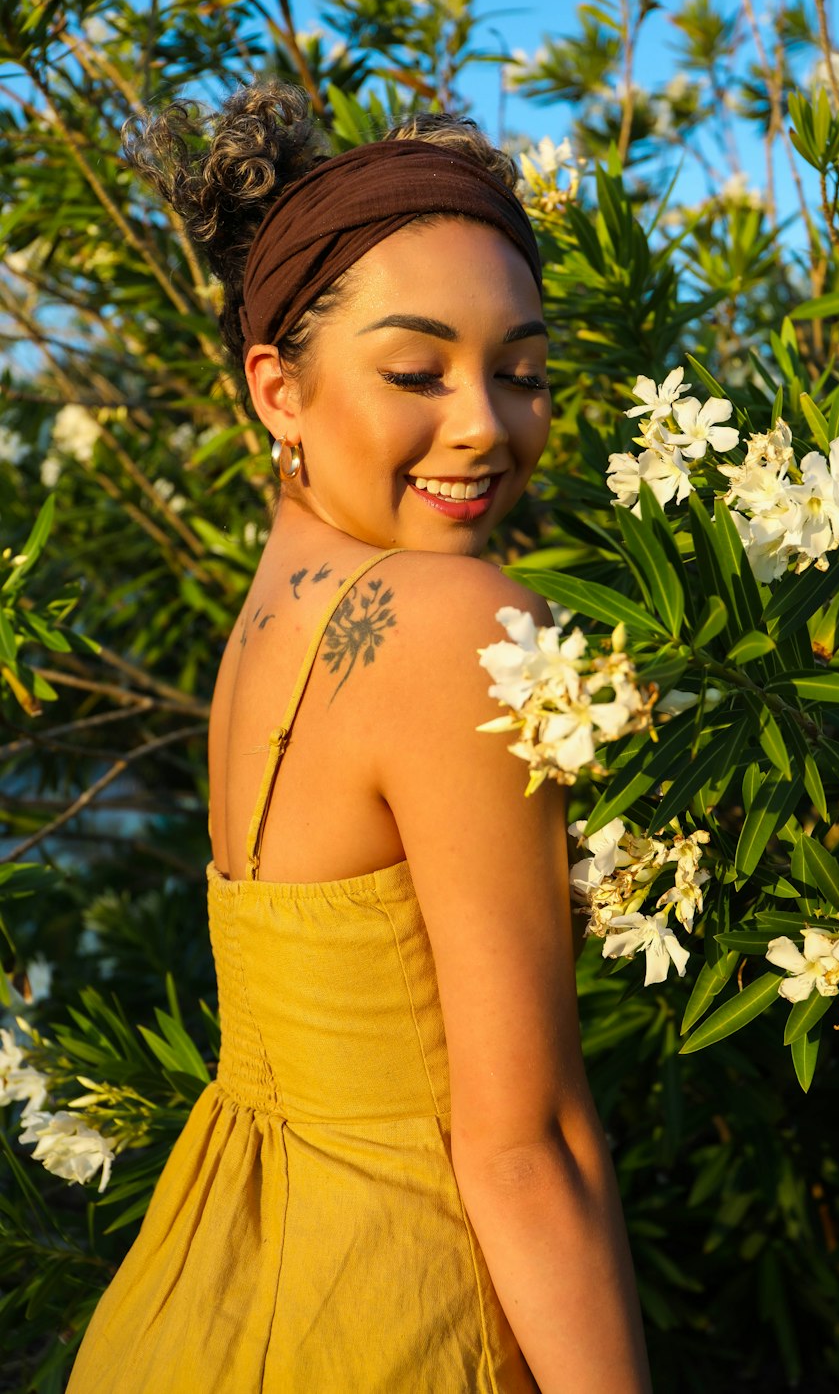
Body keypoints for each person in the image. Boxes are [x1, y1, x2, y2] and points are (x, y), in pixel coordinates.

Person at [67, 81, 653, 1394]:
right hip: (395, 1309)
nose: (484, 426)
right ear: (278, 388)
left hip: (210, 1288)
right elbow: (528, 1145)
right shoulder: (451, 621)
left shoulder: (275, 615)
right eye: (415, 370)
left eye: (523, 372)